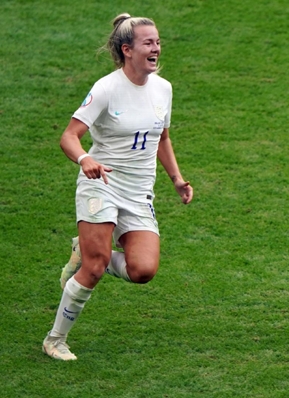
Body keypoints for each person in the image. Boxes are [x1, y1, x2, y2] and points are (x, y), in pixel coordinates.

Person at [42, 13, 193, 361]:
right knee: (93, 269)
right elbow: (69, 136)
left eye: (157, 42)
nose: (156, 48)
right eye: (148, 43)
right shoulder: (106, 88)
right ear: (127, 50)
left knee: (143, 271)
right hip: (102, 183)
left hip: (139, 192)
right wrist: (85, 160)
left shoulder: (163, 88)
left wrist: (176, 179)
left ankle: (86, 248)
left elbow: (162, 137)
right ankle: (55, 339)